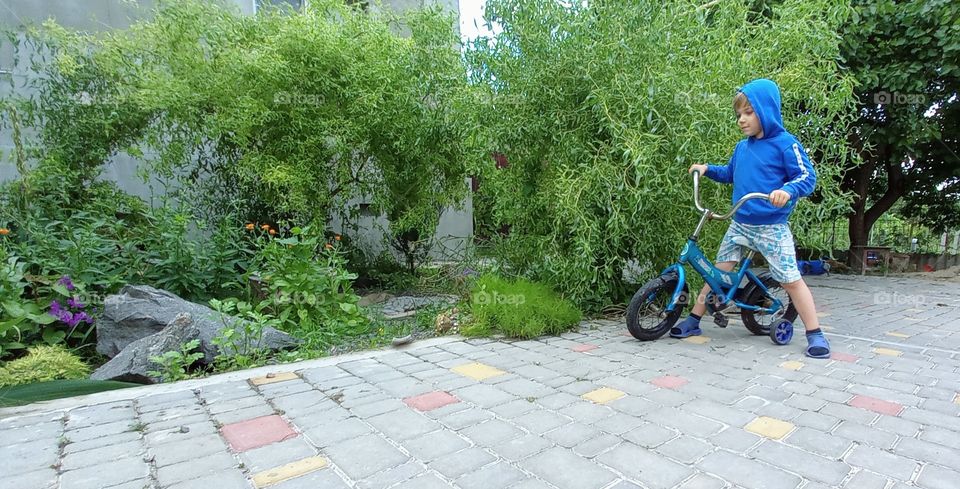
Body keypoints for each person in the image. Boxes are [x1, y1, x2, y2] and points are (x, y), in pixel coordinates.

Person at [678, 78, 830, 359]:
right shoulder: (742, 148)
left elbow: (808, 177)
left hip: (772, 227)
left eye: (749, 112)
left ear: (766, 110)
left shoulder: (785, 144)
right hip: (740, 222)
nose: (742, 119)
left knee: (790, 279)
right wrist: (707, 168)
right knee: (716, 274)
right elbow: (729, 174)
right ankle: (694, 321)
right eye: (739, 114)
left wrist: (787, 190)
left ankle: (815, 333)